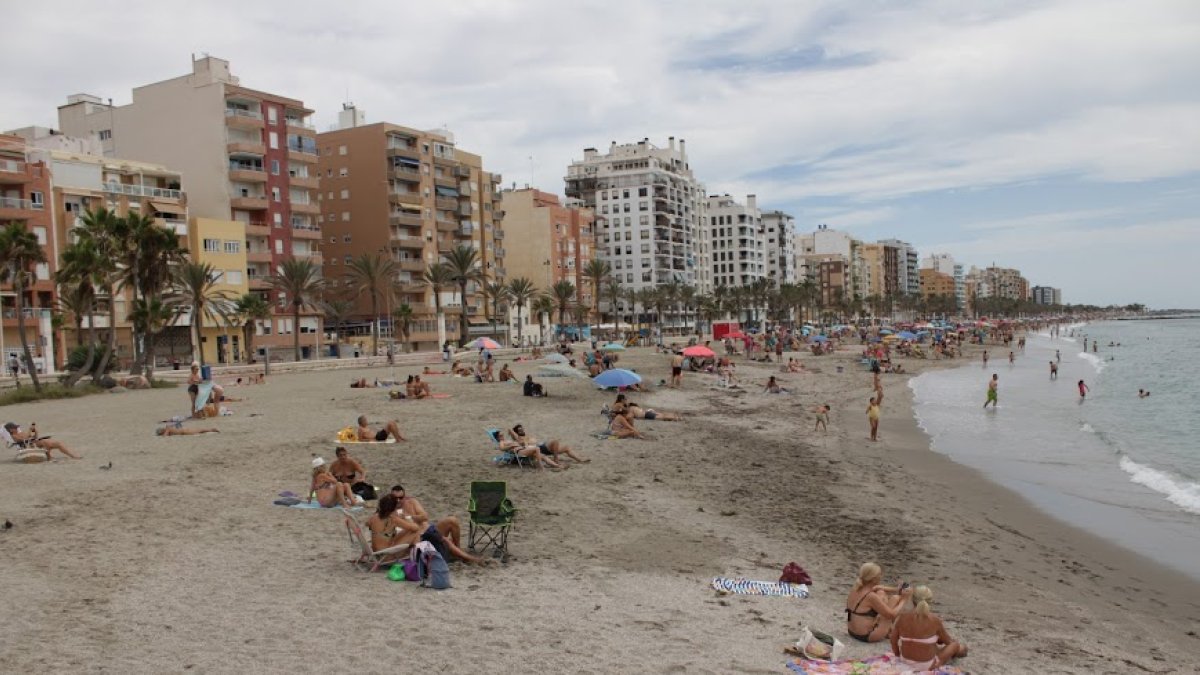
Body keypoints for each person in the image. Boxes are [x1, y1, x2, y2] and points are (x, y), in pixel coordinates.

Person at [389, 485, 488, 564]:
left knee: (452, 520)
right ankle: (468, 558)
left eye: (400, 497)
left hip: (429, 531)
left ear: (405, 496)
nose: (398, 500)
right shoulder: (389, 511)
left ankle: (457, 551)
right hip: (417, 539)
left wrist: (409, 517)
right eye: (395, 498)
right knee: (445, 540)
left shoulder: (411, 502)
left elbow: (424, 516)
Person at [890, 586, 968, 670]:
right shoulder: (934, 620)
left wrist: (898, 655)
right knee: (955, 645)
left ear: (913, 600)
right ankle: (959, 650)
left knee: (930, 643)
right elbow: (948, 641)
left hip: (905, 661)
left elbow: (893, 640)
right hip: (926, 666)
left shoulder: (902, 618)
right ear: (930, 602)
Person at [845, 562, 912, 643]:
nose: (881, 576)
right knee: (896, 598)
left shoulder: (856, 588)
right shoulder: (871, 596)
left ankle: (889, 629)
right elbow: (891, 615)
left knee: (881, 592)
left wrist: (897, 589)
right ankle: (890, 630)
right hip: (866, 635)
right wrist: (904, 599)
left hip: (851, 631)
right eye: (879, 575)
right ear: (873, 578)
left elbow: (878, 588)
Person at [365, 493, 423, 557]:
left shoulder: (374, 517)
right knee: (416, 532)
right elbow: (416, 528)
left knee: (405, 531)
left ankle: (414, 552)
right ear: (394, 508)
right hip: (386, 555)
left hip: (376, 552)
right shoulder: (393, 519)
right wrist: (407, 518)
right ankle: (417, 556)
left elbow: (367, 524)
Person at [510, 424, 589, 464]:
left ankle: (580, 459)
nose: (522, 430)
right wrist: (515, 432)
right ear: (516, 433)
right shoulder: (519, 439)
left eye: (522, 429)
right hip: (539, 448)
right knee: (555, 441)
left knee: (566, 447)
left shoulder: (527, 436)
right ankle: (556, 459)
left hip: (543, 446)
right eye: (520, 430)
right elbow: (510, 430)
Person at [3, 422, 81, 459]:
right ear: (11, 430)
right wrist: (29, 431)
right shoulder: (14, 436)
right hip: (32, 445)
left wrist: (35, 431)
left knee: (58, 443)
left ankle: (72, 455)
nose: (17, 428)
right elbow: (25, 440)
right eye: (15, 427)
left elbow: (34, 436)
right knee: (46, 443)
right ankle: (49, 457)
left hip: (36, 442)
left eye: (16, 427)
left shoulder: (21, 432)